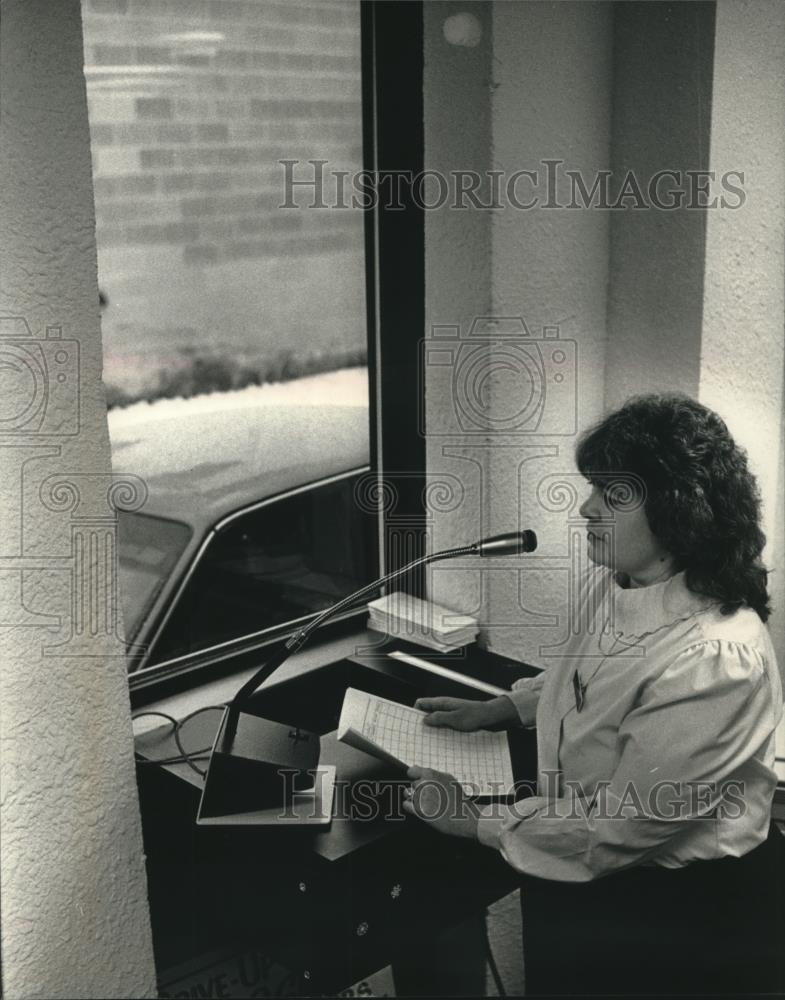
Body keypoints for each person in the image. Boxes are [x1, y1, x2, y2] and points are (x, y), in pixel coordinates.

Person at [402, 393, 784, 996]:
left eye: (612, 495)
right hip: (583, 869)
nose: (586, 508)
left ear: (676, 510)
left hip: (675, 915)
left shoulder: (716, 658)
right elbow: (584, 684)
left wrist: (473, 821)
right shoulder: (620, 586)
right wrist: (503, 709)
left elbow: (619, 828)